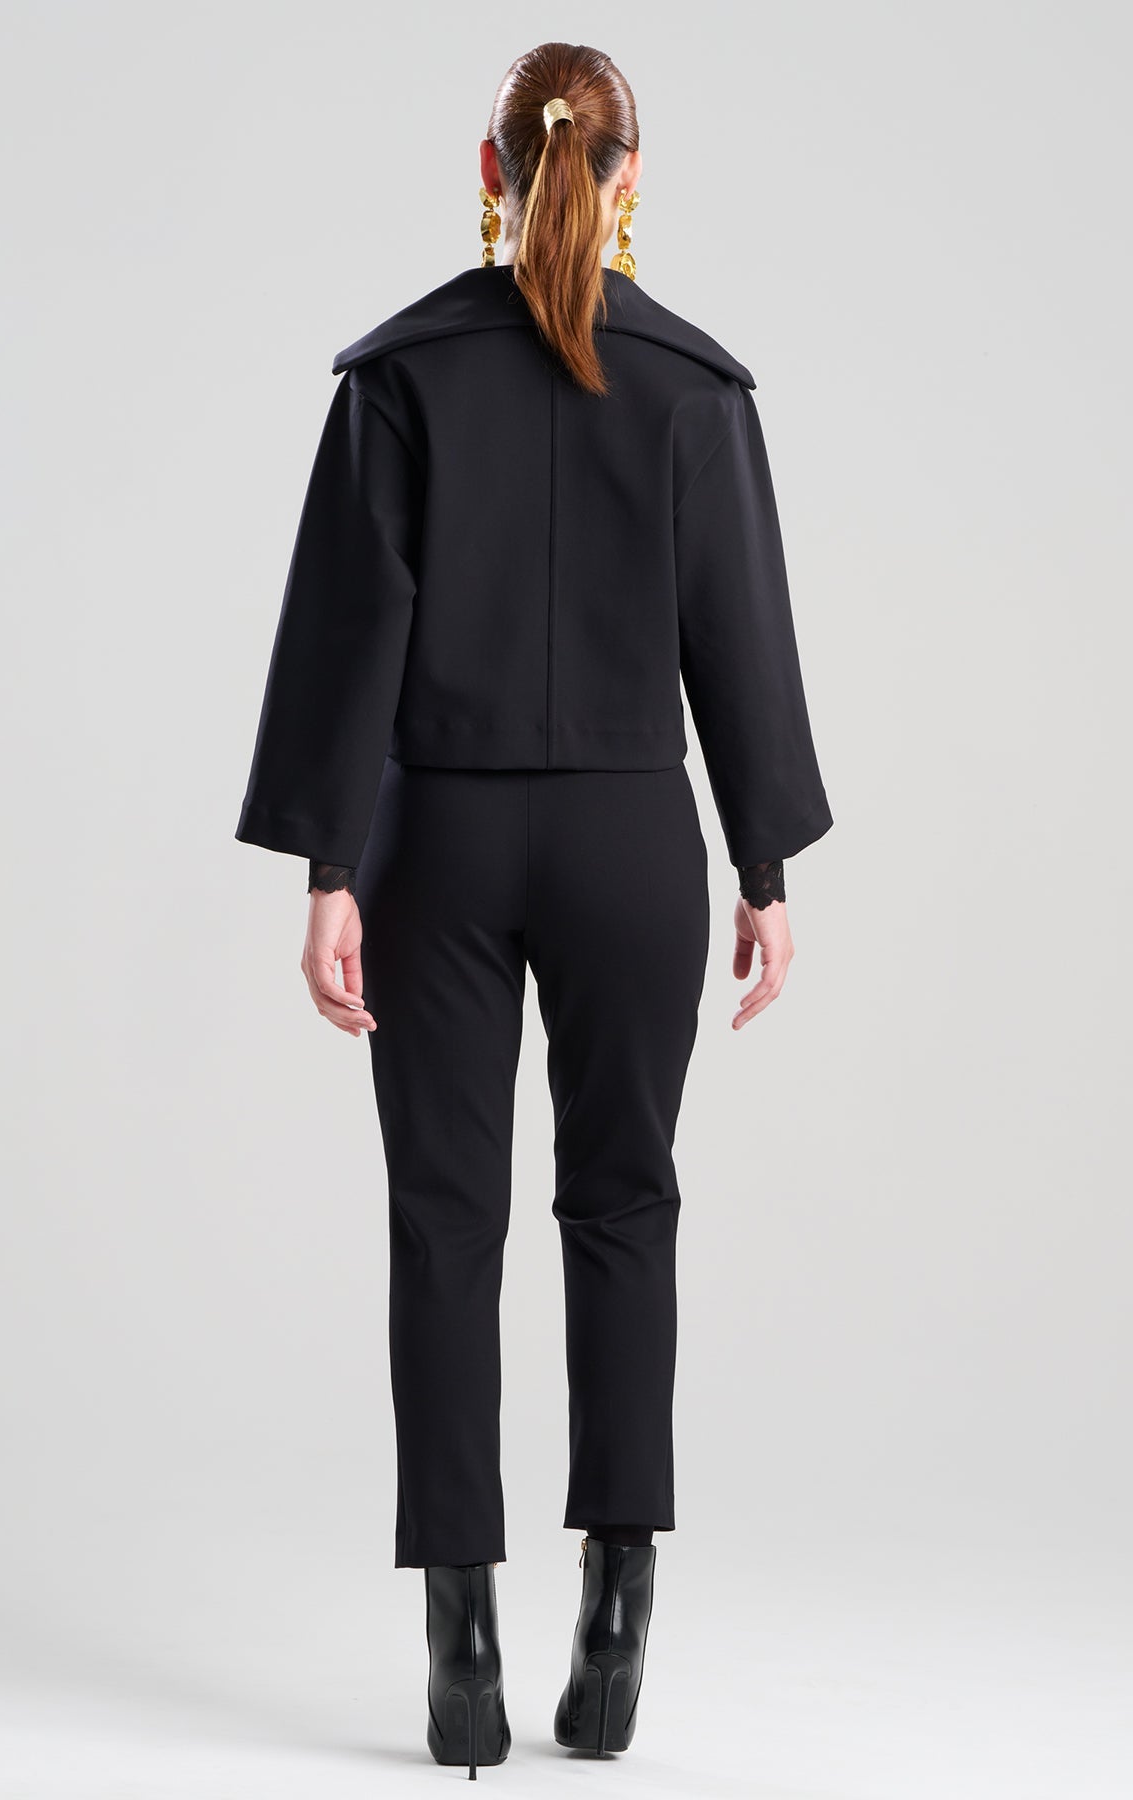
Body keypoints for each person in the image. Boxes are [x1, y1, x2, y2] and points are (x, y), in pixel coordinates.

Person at [234, 40, 833, 1777]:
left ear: (488, 168)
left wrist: (331, 868)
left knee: (446, 1220)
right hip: (632, 837)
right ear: (630, 178)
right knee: (624, 1202)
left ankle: (462, 1639)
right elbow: (741, 639)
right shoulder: (696, 388)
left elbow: (350, 630)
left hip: (436, 831)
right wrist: (765, 868)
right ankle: (620, 1606)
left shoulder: (402, 375)